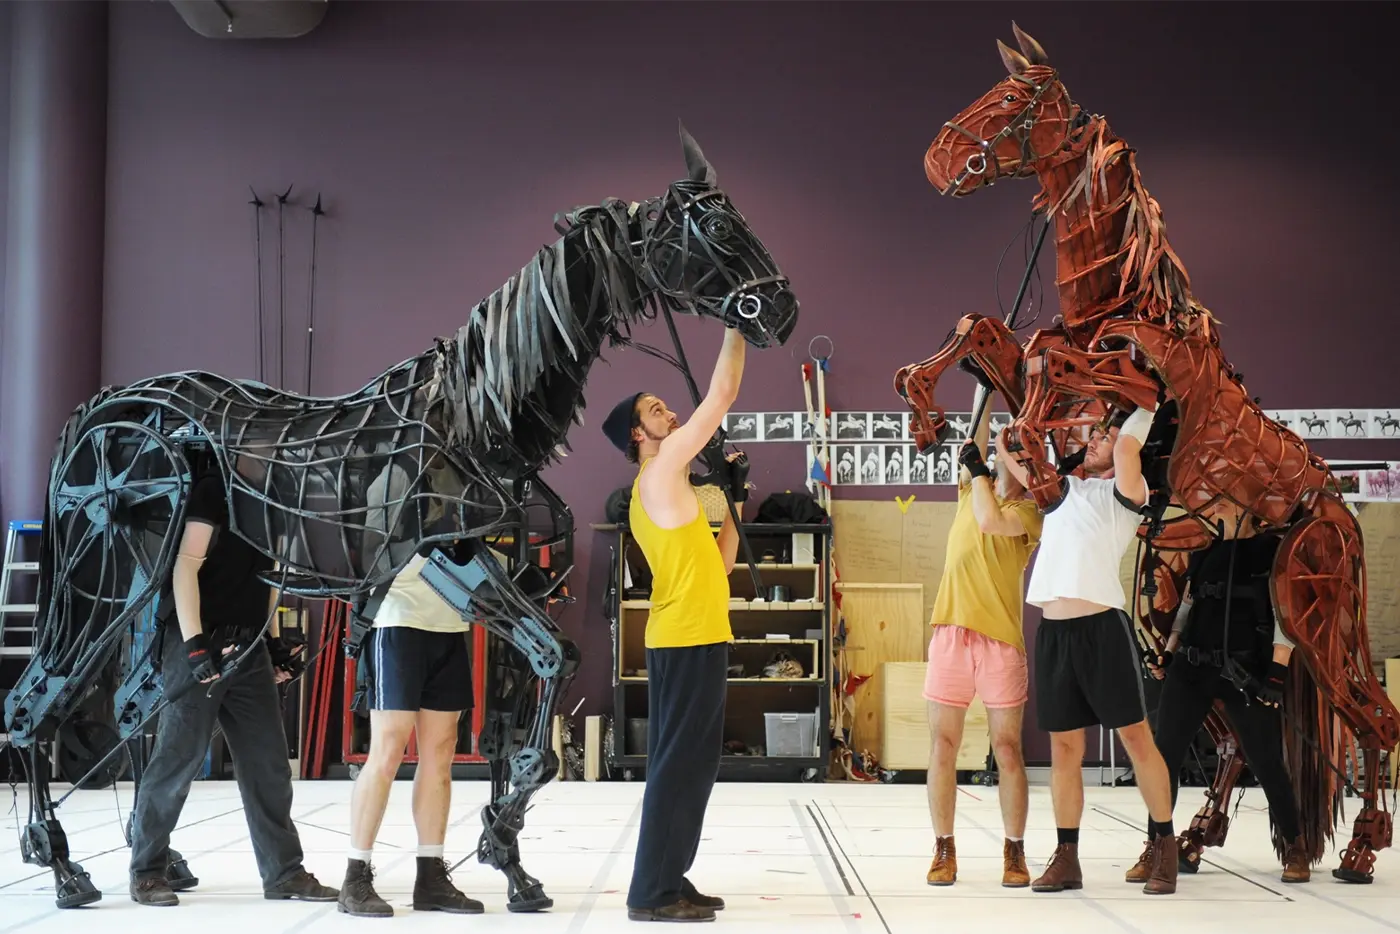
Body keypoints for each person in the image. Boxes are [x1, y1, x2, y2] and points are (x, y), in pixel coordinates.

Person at [128, 466, 338, 907]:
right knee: (178, 758)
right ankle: (147, 870)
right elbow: (185, 567)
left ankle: (284, 873)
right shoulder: (214, 490)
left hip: (248, 644)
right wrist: (195, 646)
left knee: (269, 764)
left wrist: (274, 642)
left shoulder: (272, 494)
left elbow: (267, 579)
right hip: (199, 638)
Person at [602, 325, 749, 924]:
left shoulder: (677, 489)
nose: (666, 409)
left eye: (662, 404)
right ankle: (651, 892)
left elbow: (719, 564)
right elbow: (721, 394)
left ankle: (671, 875)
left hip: (698, 635)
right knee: (676, 766)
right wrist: (736, 326)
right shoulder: (658, 475)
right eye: (653, 411)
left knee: (695, 765)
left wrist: (736, 501)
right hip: (684, 639)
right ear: (640, 435)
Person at [1010, 404, 1181, 896]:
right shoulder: (1061, 492)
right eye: (1095, 435)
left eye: (1104, 435)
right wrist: (1009, 440)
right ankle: (1067, 857)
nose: (1098, 439)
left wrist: (1143, 399)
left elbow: (1128, 445)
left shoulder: (1126, 491)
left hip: (1103, 631)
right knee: (1065, 750)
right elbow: (1014, 452)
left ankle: (1164, 846)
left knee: (1136, 740)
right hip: (1055, 635)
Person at [1134, 503, 1309, 883]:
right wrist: (1169, 650)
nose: (1217, 507)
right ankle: (1156, 847)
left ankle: (1296, 846)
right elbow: (1188, 603)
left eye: (1225, 500)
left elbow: (1286, 614)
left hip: (1244, 670)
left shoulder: (1272, 551)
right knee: (1163, 760)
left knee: (1265, 761)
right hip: (1192, 667)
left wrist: (1277, 671)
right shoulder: (1204, 549)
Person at [923, 391, 1044, 888]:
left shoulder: (1030, 513)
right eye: (1000, 452)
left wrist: (981, 469)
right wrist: (983, 387)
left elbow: (992, 520)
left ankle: (1013, 852)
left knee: (1008, 748)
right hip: (951, 633)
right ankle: (943, 849)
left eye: (1013, 453)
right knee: (942, 746)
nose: (1001, 458)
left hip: (1000, 643)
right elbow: (973, 440)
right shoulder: (968, 492)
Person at [337, 543, 482, 917]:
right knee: (388, 748)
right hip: (395, 617)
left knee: (441, 752)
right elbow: (371, 545)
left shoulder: (465, 487)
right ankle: (355, 877)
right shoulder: (389, 481)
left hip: (449, 622)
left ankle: (431, 876)